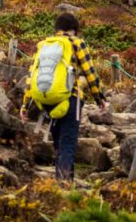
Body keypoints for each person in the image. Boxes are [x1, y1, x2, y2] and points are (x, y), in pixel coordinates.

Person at [20, 12, 108, 183]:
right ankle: (64, 185)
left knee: (58, 143)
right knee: (68, 141)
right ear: (73, 30)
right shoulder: (76, 43)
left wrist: (25, 105)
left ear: (57, 29)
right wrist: (100, 98)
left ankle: (64, 181)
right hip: (70, 99)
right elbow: (90, 73)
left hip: (48, 101)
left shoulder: (43, 45)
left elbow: (31, 77)